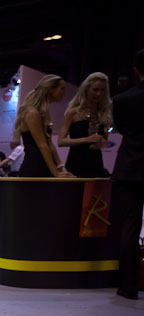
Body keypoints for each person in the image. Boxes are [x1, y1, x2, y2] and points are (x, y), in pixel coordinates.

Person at [111, 50, 144, 300]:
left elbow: (121, 128)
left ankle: (128, 287)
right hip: (131, 169)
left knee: (130, 227)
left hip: (131, 167)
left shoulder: (123, 99)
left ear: (136, 69)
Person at [13, 74, 74, 178]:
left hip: (45, 166)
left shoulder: (44, 112)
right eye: (62, 88)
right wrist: (55, 173)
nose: (64, 92)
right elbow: (42, 145)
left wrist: (61, 168)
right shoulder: (33, 113)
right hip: (33, 167)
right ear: (51, 89)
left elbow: (49, 143)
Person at [57, 72, 111, 178]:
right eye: (95, 90)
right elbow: (61, 141)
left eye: (102, 90)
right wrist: (86, 140)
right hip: (76, 163)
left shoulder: (104, 114)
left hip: (96, 164)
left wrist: (100, 143)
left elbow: (105, 139)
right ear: (86, 90)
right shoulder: (73, 112)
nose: (99, 94)